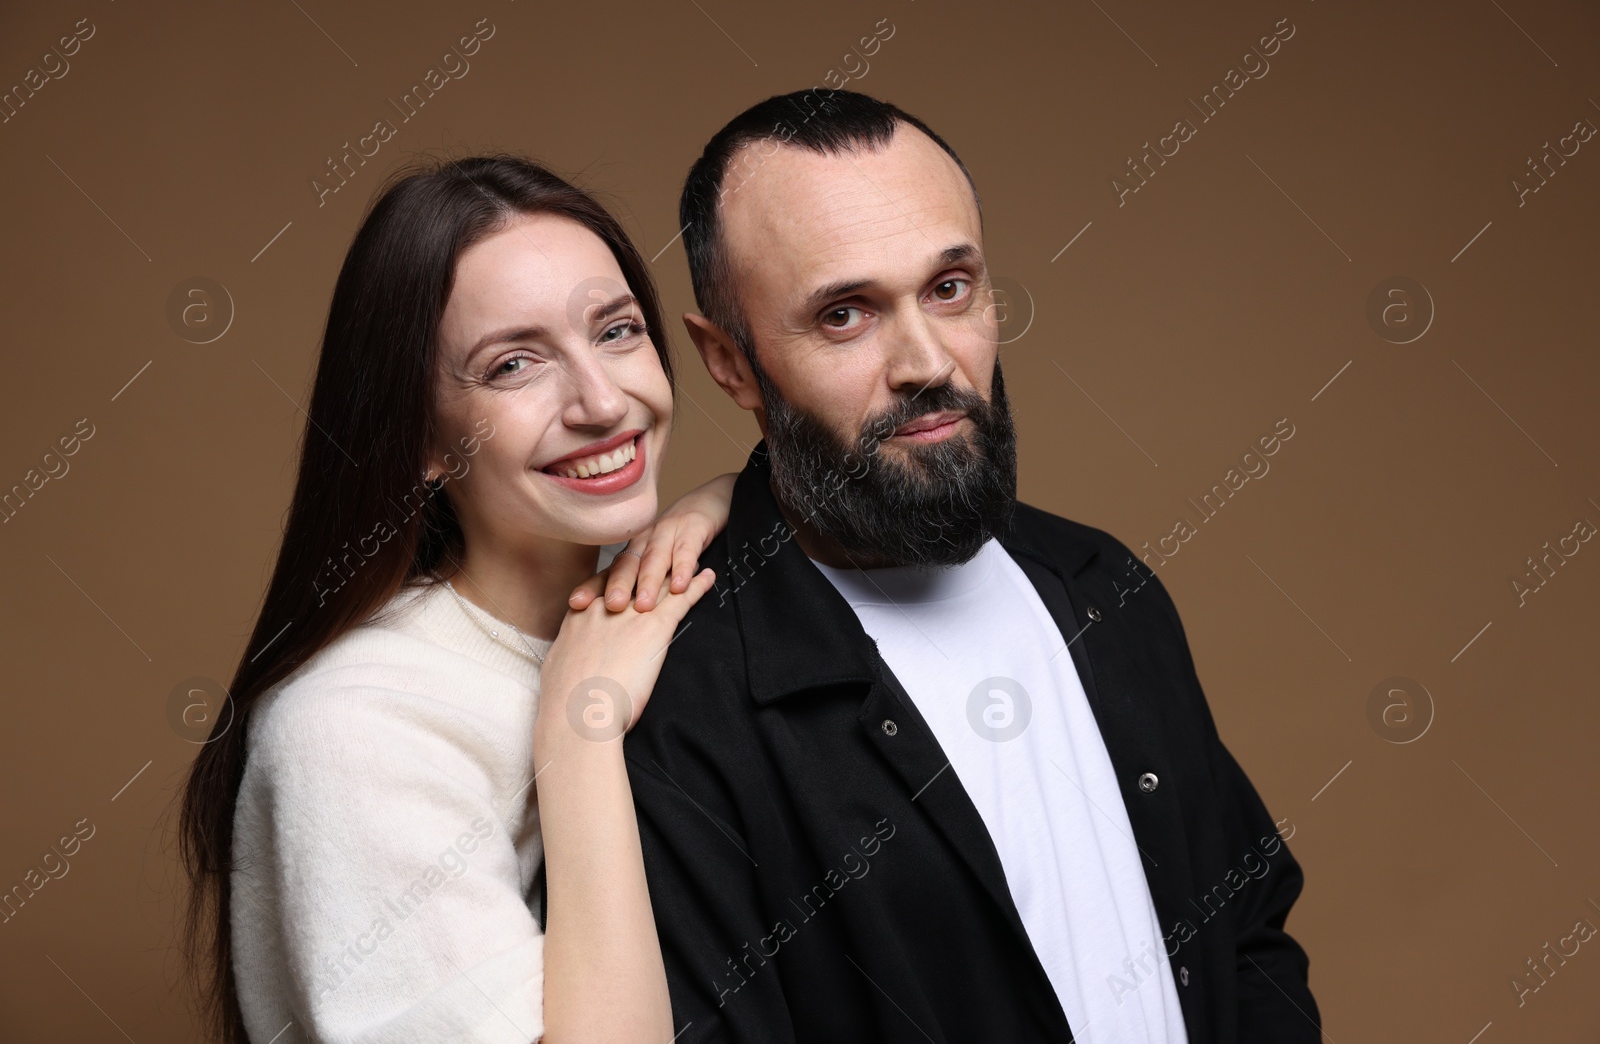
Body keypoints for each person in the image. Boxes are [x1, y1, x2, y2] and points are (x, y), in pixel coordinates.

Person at [623, 90, 1321, 1042]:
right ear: (731, 363)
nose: (926, 361)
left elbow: (1247, 931)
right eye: (844, 314)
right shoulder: (685, 710)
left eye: (949, 288)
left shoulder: (1104, 586)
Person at [178, 155, 739, 1044]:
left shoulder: (653, 594)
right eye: (515, 364)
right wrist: (574, 734)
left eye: (617, 330)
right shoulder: (355, 728)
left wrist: (732, 497)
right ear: (421, 442)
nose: (602, 400)